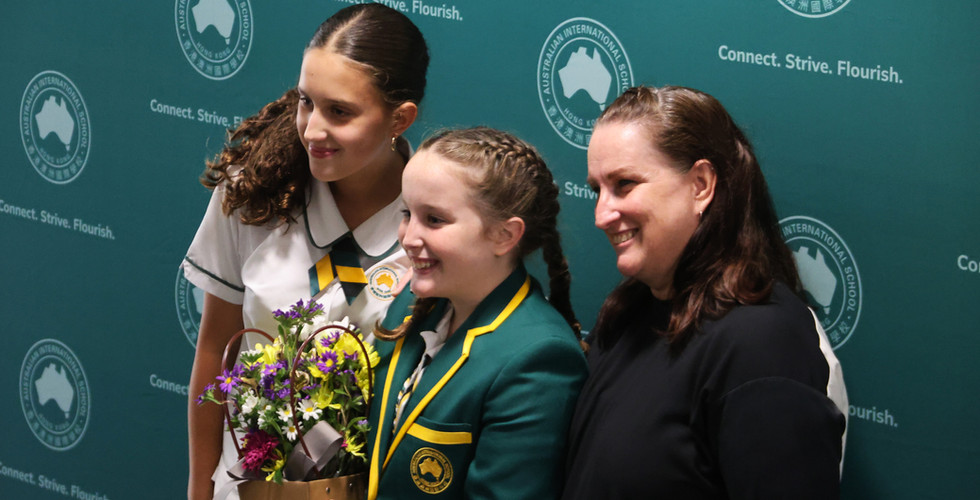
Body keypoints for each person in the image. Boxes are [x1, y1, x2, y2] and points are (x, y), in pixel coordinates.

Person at [181, 5, 429, 499]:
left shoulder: (434, 224)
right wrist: (199, 491)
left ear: (399, 118)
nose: (312, 129)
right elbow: (215, 352)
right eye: (306, 102)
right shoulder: (253, 195)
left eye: (340, 112)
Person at [562, 86, 848, 499]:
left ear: (700, 184)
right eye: (597, 190)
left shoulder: (763, 343)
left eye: (624, 184)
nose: (601, 215)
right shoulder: (631, 313)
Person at [365, 127, 588, 500]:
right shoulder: (412, 305)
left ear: (504, 235)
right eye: (407, 213)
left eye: (434, 219)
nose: (408, 237)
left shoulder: (538, 359)